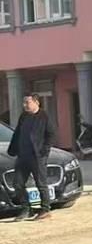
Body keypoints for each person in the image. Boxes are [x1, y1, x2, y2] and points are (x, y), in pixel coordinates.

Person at [7, 93, 57, 221]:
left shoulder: (44, 116)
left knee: (41, 183)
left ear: (36, 102)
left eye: (27, 103)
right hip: (22, 156)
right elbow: (17, 133)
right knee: (17, 183)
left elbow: (50, 135)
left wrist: (44, 151)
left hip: (37, 156)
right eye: (24, 103)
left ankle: (45, 210)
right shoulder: (23, 116)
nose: (24, 105)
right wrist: (12, 149)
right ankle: (26, 209)